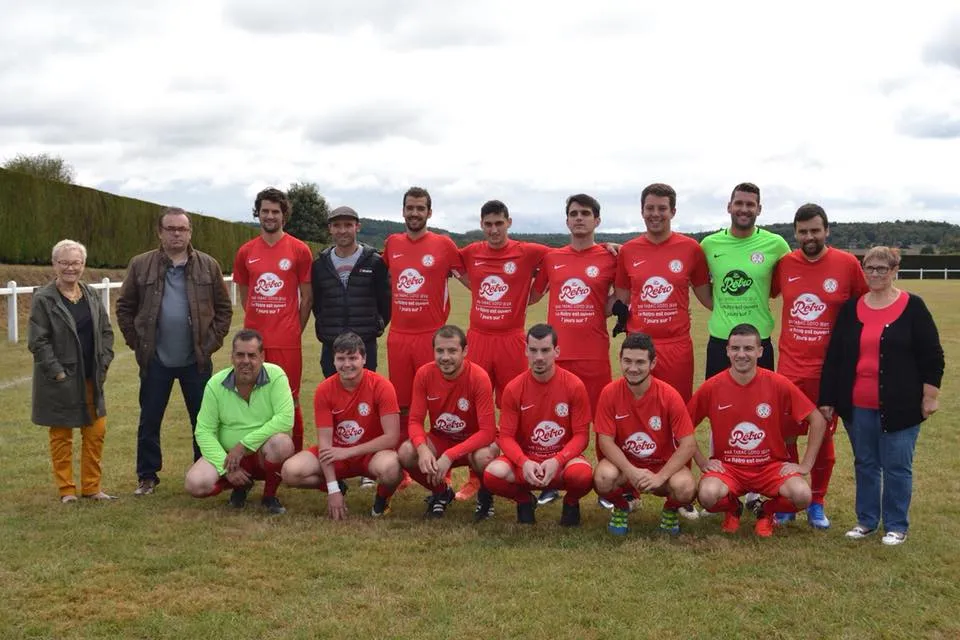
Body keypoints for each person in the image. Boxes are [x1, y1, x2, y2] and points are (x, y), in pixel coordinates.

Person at [820, 246, 944, 546]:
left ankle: (896, 525)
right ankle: (866, 521)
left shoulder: (913, 306)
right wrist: (827, 398)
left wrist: (930, 396)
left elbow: (932, 356)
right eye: (870, 268)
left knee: (897, 466)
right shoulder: (851, 308)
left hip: (900, 404)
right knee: (865, 463)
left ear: (895, 270)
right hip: (858, 403)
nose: (875, 274)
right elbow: (835, 356)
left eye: (882, 268)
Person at [117, 207, 233, 496]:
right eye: (170, 228)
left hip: (196, 359)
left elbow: (223, 310)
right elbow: (124, 307)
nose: (176, 234)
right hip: (155, 360)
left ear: (190, 232)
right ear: (160, 232)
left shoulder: (208, 265)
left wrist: (210, 345)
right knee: (150, 419)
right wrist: (138, 342)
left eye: (182, 229)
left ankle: (204, 470)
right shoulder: (140, 264)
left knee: (203, 421)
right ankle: (147, 476)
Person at [769, 203, 867, 528]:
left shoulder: (847, 264)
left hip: (828, 374)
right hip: (789, 371)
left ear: (827, 230)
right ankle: (787, 498)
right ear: (795, 233)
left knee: (822, 438)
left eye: (815, 230)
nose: (809, 237)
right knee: (785, 438)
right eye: (803, 231)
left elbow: (864, 306)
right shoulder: (784, 264)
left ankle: (817, 502)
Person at [688, 324, 827, 537]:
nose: (741, 354)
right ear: (727, 351)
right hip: (729, 468)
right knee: (707, 496)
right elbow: (683, 426)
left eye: (748, 349)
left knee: (802, 496)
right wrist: (702, 461)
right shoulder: (712, 387)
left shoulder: (777, 383)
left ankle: (766, 511)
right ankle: (733, 507)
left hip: (769, 467)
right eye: (735, 348)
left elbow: (817, 419)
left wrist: (805, 464)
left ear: (760, 351)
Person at [455, 199, 550, 500]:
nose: (494, 230)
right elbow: (448, 262)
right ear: (481, 225)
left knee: (520, 406)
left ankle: (527, 470)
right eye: (488, 224)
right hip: (479, 338)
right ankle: (475, 477)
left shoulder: (529, 251)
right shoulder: (471, 252)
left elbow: (564, 256)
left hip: (512, 339)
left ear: (509, 222)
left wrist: (533, 294)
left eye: (499, 223)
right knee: (473, 407)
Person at [529, 193, 616, 506]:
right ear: (567, 220)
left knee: (604, 423)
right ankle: (553, 480)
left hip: (594, 353)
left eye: (586, 213)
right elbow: (533, 296)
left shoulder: (610, 257)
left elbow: (618, 298)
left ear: (597, 220)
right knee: (558, 420)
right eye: (574, 213)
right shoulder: (553, 258)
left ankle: (609, 487)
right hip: (558, 357)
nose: (580, 218)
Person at [281, 332, 403, 519]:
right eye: (341, 358)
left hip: (370, 456)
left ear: (364, 359)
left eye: (353, 358)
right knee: (290, 472)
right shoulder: (324, 389)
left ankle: (382, 499)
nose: (347, 364)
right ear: (334, 361)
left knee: (392, 469)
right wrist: (332, 489)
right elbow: (325, 443)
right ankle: (337, 485)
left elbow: (392, 437)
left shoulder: (382, 386)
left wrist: (349, 452)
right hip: (336, 454)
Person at [29, 239, 115, 503]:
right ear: (54, 264)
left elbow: (106, 331)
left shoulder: (90, 294)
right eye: (64, 262)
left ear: (83, 265)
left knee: (96, 431)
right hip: (61, 380)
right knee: (61, 435)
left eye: (75, 263)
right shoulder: (44, 299)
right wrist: (57, 373)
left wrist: (104, 361)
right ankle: (67, 490)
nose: (70, 268)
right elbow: (38, 341)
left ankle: (92, 487)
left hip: (91, 376)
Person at [482, 324, 594, 526]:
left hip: (561, 462)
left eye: (545, 350)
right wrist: (523, 462)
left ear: (556, 351)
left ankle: (571, 502)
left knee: (582, 476)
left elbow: (581, 436)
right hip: (528, 461)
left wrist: (558, 460)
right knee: (492, 475)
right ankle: (524, 500)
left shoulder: (574, 385)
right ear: (526, 351)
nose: (539, 357)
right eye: (533, 350)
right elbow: (505, 436)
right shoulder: (514, 388)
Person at [613, 183, 712, 402]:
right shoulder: (628, 251)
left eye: (662, 208)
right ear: (642, 212)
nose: (655, 214)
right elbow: (622, 299)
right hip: (637, 345)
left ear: (673, 212)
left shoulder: (691, 248)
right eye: (650, 208)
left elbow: (707, 298)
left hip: (676, 345)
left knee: (677, 408)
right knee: (637, 408)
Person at [233, 187, 314, 452]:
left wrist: (293, 330)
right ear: (258, 213)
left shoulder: (299, 250)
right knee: (251, 396)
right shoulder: (246, 252)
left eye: (275, 211)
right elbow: (246, 296)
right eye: (265, 211)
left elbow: (307, 298)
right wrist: (259, 323)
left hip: (286, 341)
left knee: (291, 400)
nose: (270, 216)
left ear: (284, 215)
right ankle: (255, 455)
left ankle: (297, 454)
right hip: (253, 343)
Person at [593, 333, 697, 536]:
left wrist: (661, 477)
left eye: (640, 362)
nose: (633, 368)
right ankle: (622, 506)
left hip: (661, 465)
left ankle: (670, 510)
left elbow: (689, 444)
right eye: (627, 361)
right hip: (626, 465)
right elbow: (605, 441)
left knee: (685, 487)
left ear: (653, 363)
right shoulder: (609, 393)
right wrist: (631, 471)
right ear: (620, 359)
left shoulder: (669, 395)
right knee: (603, 477)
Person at [183, 329, 295, 514]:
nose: (245, 361)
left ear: (262, 357)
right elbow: (203, 431)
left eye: (252, 355)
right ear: (232, 357)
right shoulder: (215, 384)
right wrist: (225, 467)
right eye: (240, 355)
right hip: (229, 457)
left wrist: (243, 445)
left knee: (282, 443)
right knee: (195, 484)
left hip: (262, 453)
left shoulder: (276, 375)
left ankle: (269, 497)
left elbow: (285, 419)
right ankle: (239, 486)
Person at [397, 325, 499, 519]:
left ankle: (485, 496)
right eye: (440, 351)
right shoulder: (424, 374)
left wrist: (450, 455)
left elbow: (488, 432)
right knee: (406, 452)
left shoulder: (478, 377)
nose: (445, 357)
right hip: (441, 438)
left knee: (485, 456)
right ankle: (441, 492)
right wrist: (422, 448)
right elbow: (415, 421)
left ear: (465, 351)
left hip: (473, 443)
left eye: (452, 351)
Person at [383, 187, 464, 418]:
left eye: (420, 208)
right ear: (403, 211)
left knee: (439, 400)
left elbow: (470, 279)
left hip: (431, 336)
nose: (414, 213)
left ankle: (444, 448)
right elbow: (383, 278)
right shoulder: (392, 243)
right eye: (410, 208)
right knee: (402, 404)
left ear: (429, 213)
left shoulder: (444, 245)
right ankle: (405, 450)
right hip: (398, 336)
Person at [700, 183, 790, 379]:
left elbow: (794, 274)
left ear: (759, 209)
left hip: (759, 341)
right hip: (721, 340)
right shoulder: (709, 244)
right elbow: (697, 282)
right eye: (738, 203)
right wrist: (719, 308)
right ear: (729, 206)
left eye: (750, 204)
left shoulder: (776, 244)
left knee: (762, 404)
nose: (744, 209)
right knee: (719, 405)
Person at [311, 205, 391, 377]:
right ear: (330, 229)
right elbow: (317, 304)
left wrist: (374, 326)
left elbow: (385, 302)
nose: (342, 230)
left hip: (365, 344)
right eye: (337, 226)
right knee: (333, 397)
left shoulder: (375, 262)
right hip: (331, 344)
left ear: (357, 227)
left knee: (365, 399)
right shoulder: (319, 265)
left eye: (348, 225)